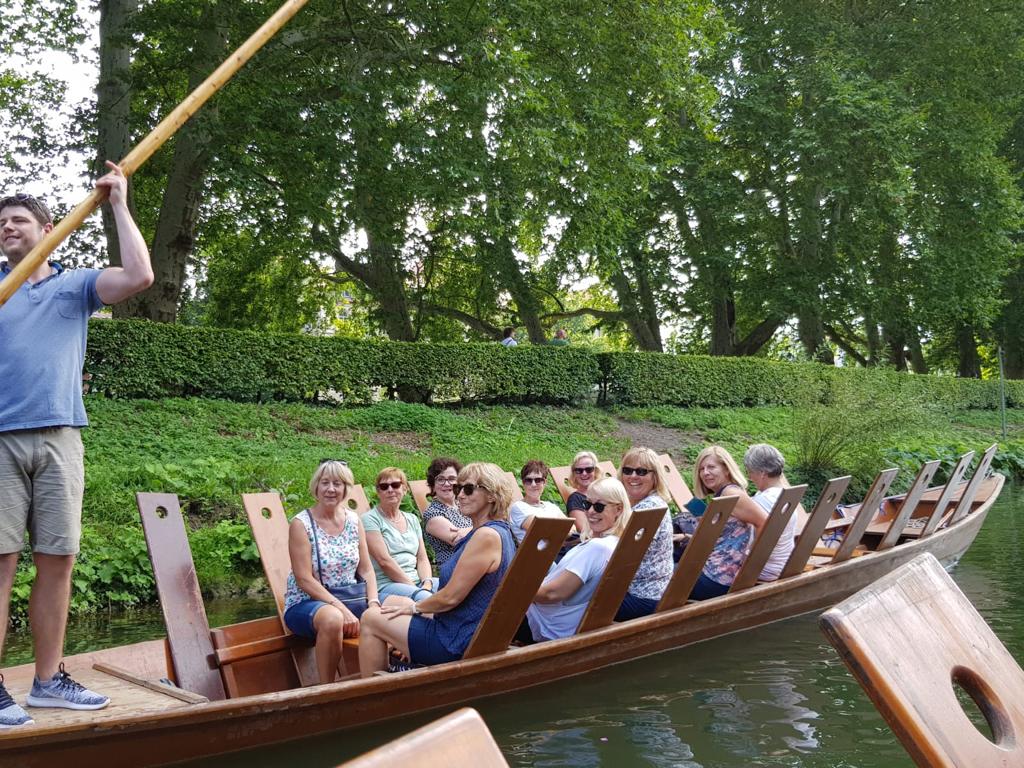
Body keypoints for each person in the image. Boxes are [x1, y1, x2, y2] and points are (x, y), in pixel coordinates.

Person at [0, 164, 154, 726]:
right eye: (1, 223)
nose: (7, 228)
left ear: (48, 230)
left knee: (58, 560)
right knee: (0, 563)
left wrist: (119, 204)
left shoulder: (75, 285)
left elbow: (139, 276)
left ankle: (47, 682)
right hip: (0, 440)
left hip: (62, 437)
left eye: (18, 220)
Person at [358, 462, 518, 674]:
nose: (460, 495)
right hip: (469, 630)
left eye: (468, 489)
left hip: (453, 640)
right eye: (458, 489)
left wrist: (414, 608)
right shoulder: (500, 531)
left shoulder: (486, 536)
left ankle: (373, 690)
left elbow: (450, 598)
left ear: (491, 495)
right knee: (397, 612)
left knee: (371, 618)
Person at [283, 460, 379, 683]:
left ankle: (384, 679)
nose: (331, 489)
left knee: (397, 608)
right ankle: (327, 689)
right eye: (325, 483)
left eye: (337, 483)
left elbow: (366, 569)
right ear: (316, 487)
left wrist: (374, 602)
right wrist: (340, 608)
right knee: (333, 619)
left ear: (346, 488)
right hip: (307, 602)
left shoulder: (354, 520)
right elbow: (304, 579)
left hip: (352, 597)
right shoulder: (301, 524)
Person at [519, 478, 632, 642]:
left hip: (544, 624)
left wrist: (513, 590)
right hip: (561, 622)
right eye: (587, 504)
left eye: (599, 506)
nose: (591, 511)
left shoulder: (597, 548)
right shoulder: (618, 543)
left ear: (619, 509)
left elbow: (552, 593)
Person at [689, 446, 769, 600]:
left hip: (717, 577)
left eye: (711, 467)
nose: (705, 473)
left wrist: (749, 563)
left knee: (657, 582)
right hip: (714, 572)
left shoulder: (731, 494)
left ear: (726, 469)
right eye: (701, 469)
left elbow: (764, 523)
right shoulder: (724, 493)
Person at [614, 447, 674, 620]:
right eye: (627, 470)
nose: (633, 476)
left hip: (642, 596)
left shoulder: (648, 508)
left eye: (641, 471)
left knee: (575, 602)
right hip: (654, 591)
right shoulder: (649, 503)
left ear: (655, 477)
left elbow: (618, 555)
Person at [363, 468, 434, 601]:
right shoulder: (370, 519)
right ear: (378, 492)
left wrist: (427, 583)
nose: (390, 490)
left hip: (417, 581)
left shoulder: (412, 519)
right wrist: (416, 588)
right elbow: (384, 561)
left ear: (405, 489)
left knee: (454, 590)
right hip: (387, 584)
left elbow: (422, 558)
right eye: (384, 487)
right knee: (427, 599)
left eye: (395, 485)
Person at [744, 444, 798, 582]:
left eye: (750, 471)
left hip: (765, 572)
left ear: (762, 473)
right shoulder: (787, 495)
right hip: (786, 565)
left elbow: (746, 540)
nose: (749, 477)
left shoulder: (763, 501)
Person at [421, 457, 472, 566]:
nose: (447, 483)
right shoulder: (433, 514)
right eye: (440, 479)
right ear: (433, 485)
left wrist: (465, 530)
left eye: (452, 479)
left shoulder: (462, 504)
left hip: (474, 560)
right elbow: (459, 540)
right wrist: (481, 526)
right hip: (454, 566)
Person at [509, 460, 570, 543]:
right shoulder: (519, 507)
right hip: (541, 551)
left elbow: (571, 527)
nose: (533, 484)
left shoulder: (550, 506)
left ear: (544, 482)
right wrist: (564, 530)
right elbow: (542, 531)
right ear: (523, 483)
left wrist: (564, 531)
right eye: (528, 480)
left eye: (538, 480)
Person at [564, 451, 599, 537]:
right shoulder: (575, 499)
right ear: (574, 474)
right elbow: (585, 532)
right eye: (579, 470)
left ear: (595, 471)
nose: (584, 473)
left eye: (589, 469)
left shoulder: (605, 493)